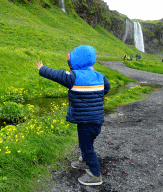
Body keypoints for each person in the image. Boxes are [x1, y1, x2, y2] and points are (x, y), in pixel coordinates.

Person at [36, 45, 111, 186]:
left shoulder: (73, 77)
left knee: (87, 147)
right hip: (96, 120)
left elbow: (57, 74)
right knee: (86, 143)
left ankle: (95, 175)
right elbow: (106, 88)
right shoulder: (100, 76)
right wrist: (95, 96)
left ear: (77, 61)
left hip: (85, 121)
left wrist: (42, 69)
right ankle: (84, 161)